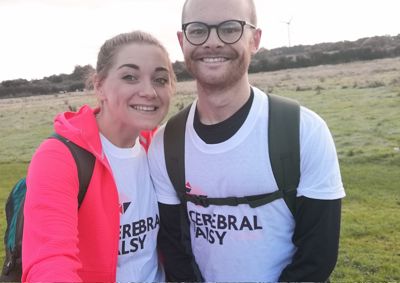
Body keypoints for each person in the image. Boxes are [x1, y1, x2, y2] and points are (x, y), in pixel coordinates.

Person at [147, 0, 346, 281]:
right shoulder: (164, 144)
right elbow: (175, 248)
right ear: (182, 41)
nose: (212, 42)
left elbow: (317, 256)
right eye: (197, 30)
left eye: (230, 29)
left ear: (255, 39)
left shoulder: (304, 131)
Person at [22, 30, 176, 282]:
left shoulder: (160, 149)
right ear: (99, 86)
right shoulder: (59, 157)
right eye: (130, 77)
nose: (149, 91)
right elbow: (49, 262)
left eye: (160, 79)